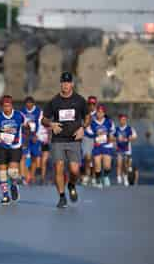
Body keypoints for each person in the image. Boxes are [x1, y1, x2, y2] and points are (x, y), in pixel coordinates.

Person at [42, 72, 89, 208]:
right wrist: (51, 124)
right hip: (58, 140)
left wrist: (83, 128)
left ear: (72, 84)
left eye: (68, 83)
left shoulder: (79, 100)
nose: (66, 85)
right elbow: (44, 119)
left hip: (74, 139)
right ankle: (62, 197)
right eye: (63, 82)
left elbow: (87, 117)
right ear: (61, 84)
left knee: (75, 170)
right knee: (59, 168)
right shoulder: (54, 101)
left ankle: (72, 185)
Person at [0, 95, 25, 205]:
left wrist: (28, 132)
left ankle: (14, 185)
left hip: (15, 146)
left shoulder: (19, 115)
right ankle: (5, 196)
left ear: (12, 105)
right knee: (2, 171)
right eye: (4, 106)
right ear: (2, 106)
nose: (7, 108)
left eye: (8, 106)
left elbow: (27, 126)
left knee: (12, 172)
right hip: (1, 146)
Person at [86, 104, 115, 188]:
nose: (100, 114)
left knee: (107, 165)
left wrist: (109, 136)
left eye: (101, 112)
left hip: (107, 145)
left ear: (104, 113)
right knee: (97, 164)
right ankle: (98, 179)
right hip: (97, 145)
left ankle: (105, 176)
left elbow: (113, 132)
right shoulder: (93, 122)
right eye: (98, 112)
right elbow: (88, 132)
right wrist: (96, 133)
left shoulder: (109, 122)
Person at [21, 96, 42, 185]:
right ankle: (25, 176)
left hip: (35, 136)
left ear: (33, 104)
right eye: (27, 103)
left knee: (34, 157)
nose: (28, 105)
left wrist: (37, 135)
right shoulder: (22, 111)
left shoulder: (38, 111)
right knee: (23, 156)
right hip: (25, 136)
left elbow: (41, 124)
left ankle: (32, 176)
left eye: (30, 103)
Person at [114, 114, 137, 187]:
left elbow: (134, 137)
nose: (122, 121)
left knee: (126, 165)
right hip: (119, 149)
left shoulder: (130, 129)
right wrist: (117, 139)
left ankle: (125, 177)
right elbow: (111, 138)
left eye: (124, 120)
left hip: (127, 149)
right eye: (121, 120)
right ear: (119, 120)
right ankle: (118, 177)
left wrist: (129, 139)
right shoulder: (116, 129)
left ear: (126, 120)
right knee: (119, 162)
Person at [82, 96, 98, 186]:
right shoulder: (84, 113)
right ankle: (87, 175)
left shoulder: (99, 113)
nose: (91, 106)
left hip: (96, 138)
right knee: (87, 158)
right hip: (86, 138)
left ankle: (94, 177)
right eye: (89, 104)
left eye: (93, 104)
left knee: (95, 160)